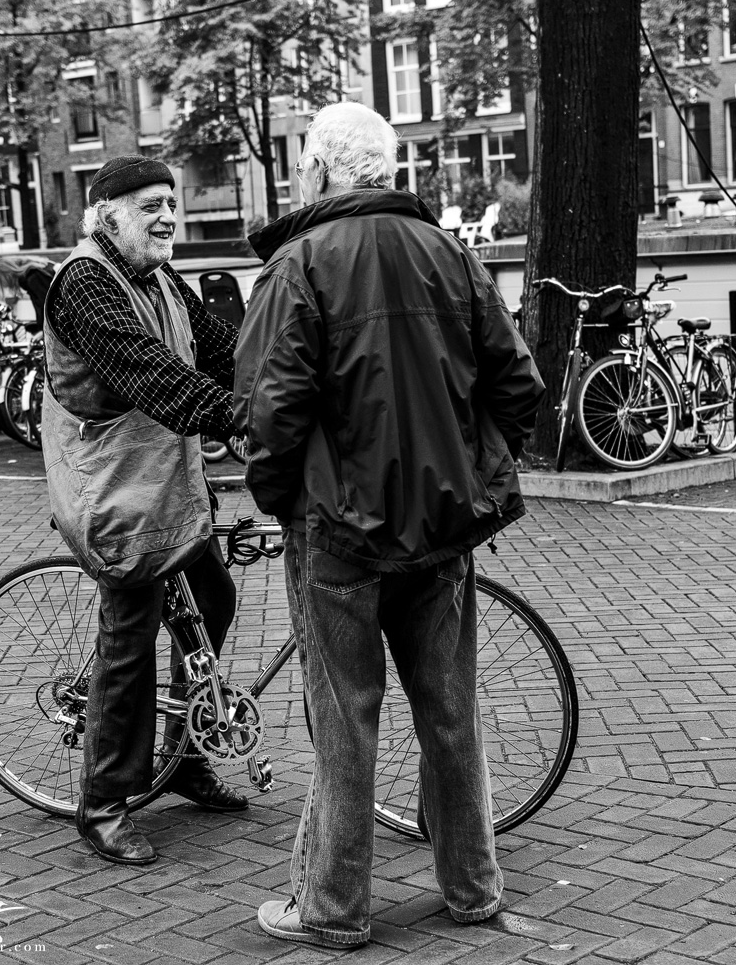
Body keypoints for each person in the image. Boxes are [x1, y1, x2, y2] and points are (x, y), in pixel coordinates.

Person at [234, 101, 545, 948]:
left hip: (338, 532)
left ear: (323, 168)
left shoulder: (299, 265)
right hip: (441, 528)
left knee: (343, 719)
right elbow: (517, 386)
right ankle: (474, 889)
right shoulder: (450, 253)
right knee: (452, 712)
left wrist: (283, 497)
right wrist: (471, 469)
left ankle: (334, 909)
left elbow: (273, 411)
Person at [42, 154, 250, 867]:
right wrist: (243, 418)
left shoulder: (160, 277)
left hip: (171, 492)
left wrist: (288, 383)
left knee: (213, 601)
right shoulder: (86, 285)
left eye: (172, 202)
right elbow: (149, 374)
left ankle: (184, 756)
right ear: (108, 216)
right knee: (128, 643)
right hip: (117, 499)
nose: (169, 216)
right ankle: (102, 804)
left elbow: (220, 350)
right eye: (151, 204)